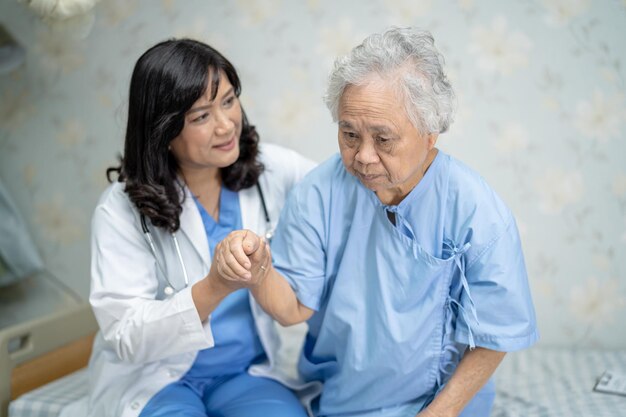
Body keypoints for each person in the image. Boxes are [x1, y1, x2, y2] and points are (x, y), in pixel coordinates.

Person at [215, 27, 539, 417]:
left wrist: (440, 412)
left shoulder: (476, 211)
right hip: (343, 399)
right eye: (349, 134)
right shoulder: (319, 193)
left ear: (430, 132)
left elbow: (495, 333)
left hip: (444, 403)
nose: (363, 156)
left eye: (383, 139)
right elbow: (292, 310)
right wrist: (260, 271)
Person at [74, 39, 316, 417]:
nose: (226, 125)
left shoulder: (273, 169)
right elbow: (126, 336)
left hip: (245, 375)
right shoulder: (119, 210)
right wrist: (214, 287)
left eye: (229, 100)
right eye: (201, 116)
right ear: (163, 131)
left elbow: (343, 197)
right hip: (156, 380)